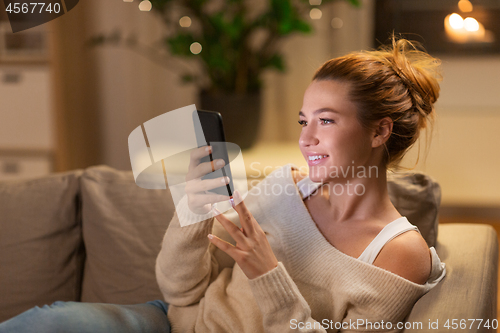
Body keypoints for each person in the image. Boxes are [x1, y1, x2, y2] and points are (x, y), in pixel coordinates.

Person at [0, 37, 445, 333]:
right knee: (49, 322)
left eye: (326, 121)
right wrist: (193, 213)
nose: (305, 138)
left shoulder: (399, 254)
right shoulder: (281, 188)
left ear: (379, 132)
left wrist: (266, 273)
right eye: (303, 120)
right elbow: (181, 293)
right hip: (171, 322)